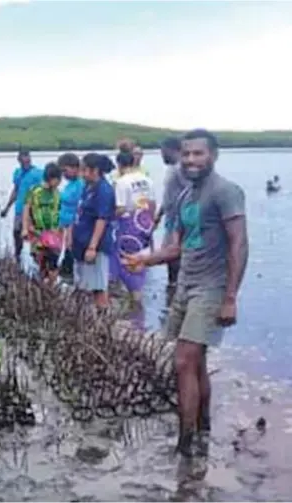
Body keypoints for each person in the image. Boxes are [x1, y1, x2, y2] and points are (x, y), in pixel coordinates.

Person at [122, 129, 249, 458]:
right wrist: (145, 259)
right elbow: (176, 246)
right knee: (196, 362)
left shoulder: (226, 191)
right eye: (187, 154)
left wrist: (231, 297)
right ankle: (202, 427)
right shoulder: (184, 196)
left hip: (212, 287)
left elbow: (239, 243)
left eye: (198, 154)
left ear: (213, 155)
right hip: (186, 284)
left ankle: (185, 444)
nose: (191, 160)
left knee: (182, 361)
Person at [67, 153, 116, 308]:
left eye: (84, 170)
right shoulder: (88, 187)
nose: (81, 173)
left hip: (96, 245)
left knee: (98, 288)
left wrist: (92, 247)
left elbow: (101, 219)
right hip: (81, 241)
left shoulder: (104, 190)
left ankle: (103, 322)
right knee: (83, 285)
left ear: (94, 170)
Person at [113, 149, 156, 304]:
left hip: (128, 227)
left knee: (127, 264)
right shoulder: (147, 180)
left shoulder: (121, 182)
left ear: (119, 165)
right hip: (144, 223)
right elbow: (152, 205)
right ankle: (137, 305)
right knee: (139, 265)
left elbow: (121, 208)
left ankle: (135, 307)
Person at [154, 136, 186, 301]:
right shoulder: (172, 169)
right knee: (169, 256)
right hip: (170, 219)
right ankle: (173, 288)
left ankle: (175, 292)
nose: (162, 155)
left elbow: (190, 194)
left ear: (173, 150)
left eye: (163, 152)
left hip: (180, 222)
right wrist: (158, 216)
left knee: (174, 255)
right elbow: (168, 197)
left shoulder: (181, 169)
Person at [22, 162, 63, 284]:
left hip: (54, 234)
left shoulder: (57, 193)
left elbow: (60, 213)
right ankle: (42, 287)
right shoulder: (35, 191)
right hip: (37, 232)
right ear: (51, 178)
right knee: (40, 261)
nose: (59, 182)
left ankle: (51, 287)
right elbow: (26, 210)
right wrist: (25, 228)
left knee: (54, 263)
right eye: (58, 179)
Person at [0, 150, 44, 262]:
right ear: (19, 161)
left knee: (34, 234)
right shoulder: (18, 173)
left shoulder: (38, 173)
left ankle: (36, 258)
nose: (26, 163)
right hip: (20, 209)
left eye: (27, 160)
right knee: (16, 233)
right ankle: (17, 256)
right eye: (23, 161)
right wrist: (7, 207)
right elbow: (15, 190)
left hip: (34, 210)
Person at [57, 152, 85, 279]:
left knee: (70, 263)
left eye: (65, 170)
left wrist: (70, 231)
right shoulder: (70, 184)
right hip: (64, 227)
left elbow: (80, 209)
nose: (63, 175)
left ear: (74, 167)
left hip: (73, 229)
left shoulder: (81, 184)